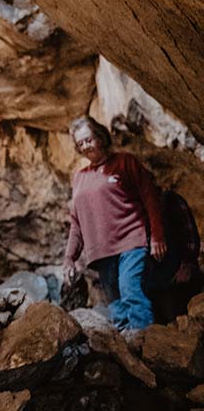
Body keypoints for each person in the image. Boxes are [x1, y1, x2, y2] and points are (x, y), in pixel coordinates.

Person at [63, 116, 165, 330]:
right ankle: (128, 354)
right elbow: (76, 223)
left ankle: (148, 349)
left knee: (131, 293)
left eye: (88, 140)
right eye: (80, 143)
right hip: (101, 253)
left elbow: (150, 199)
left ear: (100, 137)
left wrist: (157, 236)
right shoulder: (79, 178)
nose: (85, 147)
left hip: (131, 242)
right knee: (117, 308)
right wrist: (69, 258)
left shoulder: (124, 162)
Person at [147, 188, 202, 323]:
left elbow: (190, 234)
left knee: (178, 321)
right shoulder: (137, 205)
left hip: (176, 278)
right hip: (153, 283)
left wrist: (187, 264)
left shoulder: (169, 200)